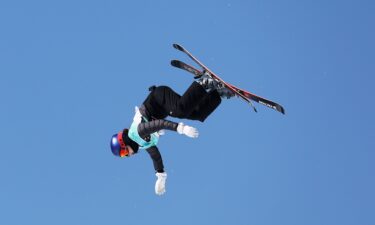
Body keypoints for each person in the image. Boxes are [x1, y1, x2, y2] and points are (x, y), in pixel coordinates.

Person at [110, 74, 235, 195]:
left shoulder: (138, 132)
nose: (128, 155)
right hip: (165, 106)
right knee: (197, 114)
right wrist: (160, 176)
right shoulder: (141, 143)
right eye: (124, 156)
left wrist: (181, 129)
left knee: (180, 111)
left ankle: (204, 82)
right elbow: (155, 156)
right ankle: (218, 93)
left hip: (159, 97)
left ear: (124, 142)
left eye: (124, 153)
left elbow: (159, 124)